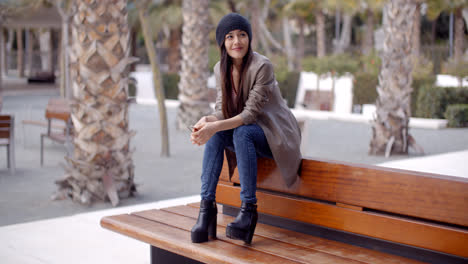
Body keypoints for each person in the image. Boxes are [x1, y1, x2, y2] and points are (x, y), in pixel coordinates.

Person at [190, 13, 302, 244]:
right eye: (229, 36)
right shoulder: (220, 68)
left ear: (249, 38)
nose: (236, 41)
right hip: (249, 133)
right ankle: (206, 209)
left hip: (275, 135)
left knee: (241, 131)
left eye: (242, 35)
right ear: (223, 42)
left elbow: (249, 115)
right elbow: (223, 109)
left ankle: (248, 211)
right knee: (220, 132)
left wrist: (215, 126)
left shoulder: (262, 66)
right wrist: (207, 120)